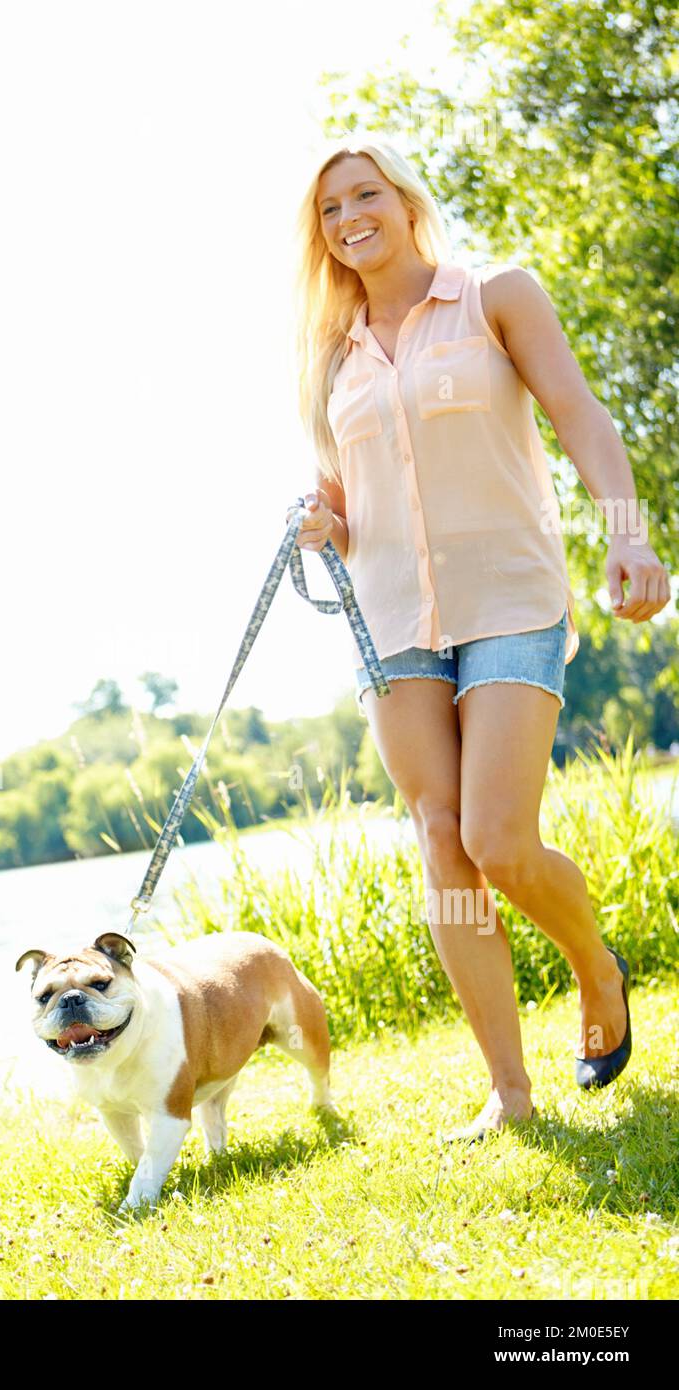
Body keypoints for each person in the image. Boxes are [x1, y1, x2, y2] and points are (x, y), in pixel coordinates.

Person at [290, 133, 670, 1141]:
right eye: (328, 209)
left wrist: (625, 536)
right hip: (392, 622)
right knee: (440, 849)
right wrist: (320, 521)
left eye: (361, 194)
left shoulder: (494, 293)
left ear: (402, 199)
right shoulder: (332, 353)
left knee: (493, 838)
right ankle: (507, 1088)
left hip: (507, 598)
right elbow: (342, 492)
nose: (346, 218)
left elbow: (580, 413)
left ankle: (594, 965)